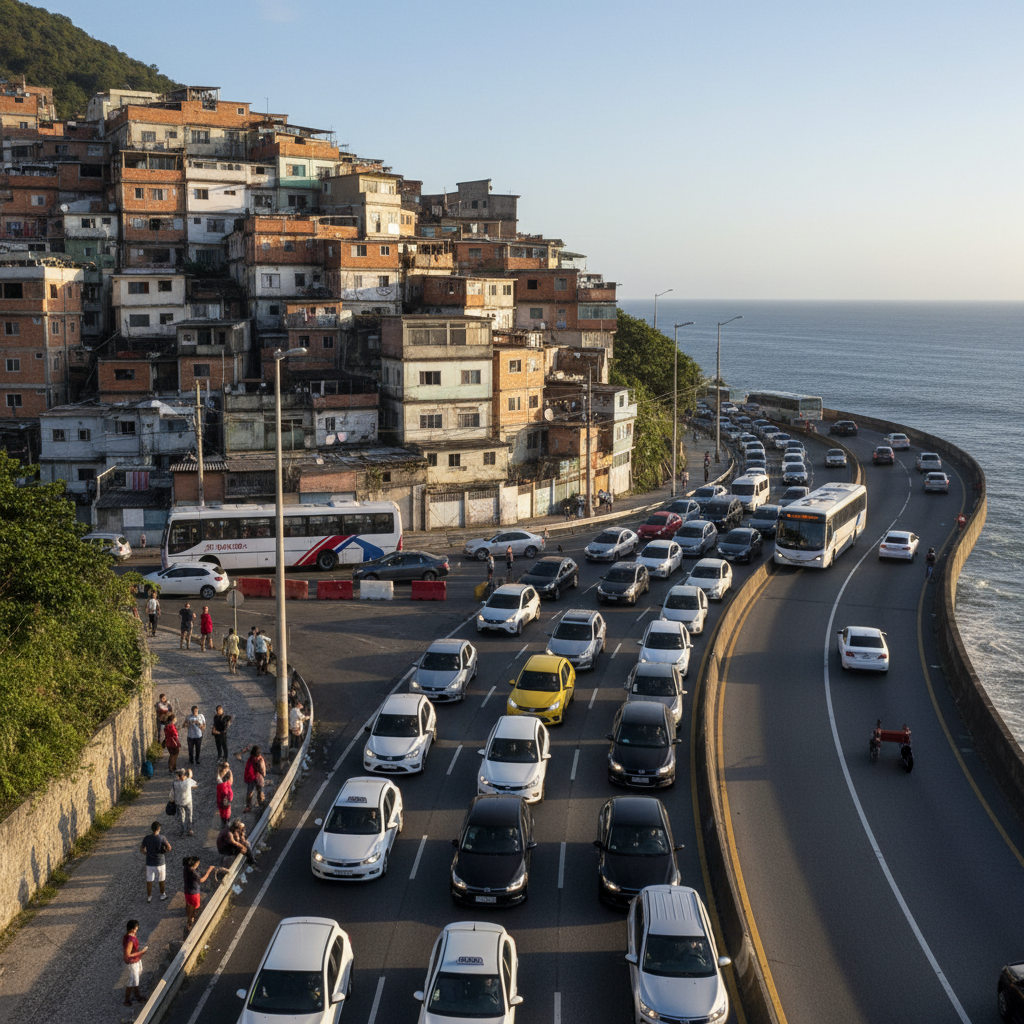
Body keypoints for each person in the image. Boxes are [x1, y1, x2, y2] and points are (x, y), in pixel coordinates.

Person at [181, 856, 216, 934]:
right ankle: (191, 925)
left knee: (189, 906)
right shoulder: (194, 873)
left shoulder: (186, 868)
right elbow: (201, 880)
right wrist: (209, 870)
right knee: (194, 911)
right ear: (194, 864)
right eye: (197, 863)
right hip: (194, 894)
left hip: (187, 892)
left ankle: (189, 920)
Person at [140, 821, 171, 902]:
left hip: (150, 863)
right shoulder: (162, 838)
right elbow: (169, 847)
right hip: (160, 862)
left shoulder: (147, 838)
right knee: (161, 879)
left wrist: (146, 853)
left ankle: (149, 897)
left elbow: (141, 849)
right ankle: (162, 895)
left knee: (149, 880)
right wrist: (164, 852)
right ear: (159, 829)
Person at [122, 920, 149, 1006]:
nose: (137, 929)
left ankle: (137, 995)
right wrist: (140, 952)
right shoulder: (130, 939)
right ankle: (128, 999)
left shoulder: (130, 936)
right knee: (133, 980)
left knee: (136, 977)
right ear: (133, 929)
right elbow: (127, 954)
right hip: (133, 962)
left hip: (136, 960)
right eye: (136, 928)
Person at [170, 767, 198, 836]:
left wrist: (172, 800)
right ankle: (190, 830)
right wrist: (190, 777)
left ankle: (182, 831)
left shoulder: (175, 783)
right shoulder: (188, 781)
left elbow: (172, 793)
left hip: (179, 803)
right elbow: (196, 784)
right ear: (184, 776)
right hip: (188, 802)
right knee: (189, 816)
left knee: (181, 817)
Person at [241, 745, 267, 813]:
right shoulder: (260, 760)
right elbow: (263, 772)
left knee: (250, 792)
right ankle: (260, 803)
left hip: (253, 778)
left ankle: (249, 806)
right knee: (259, 791)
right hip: (255, 778)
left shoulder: (253, 759)